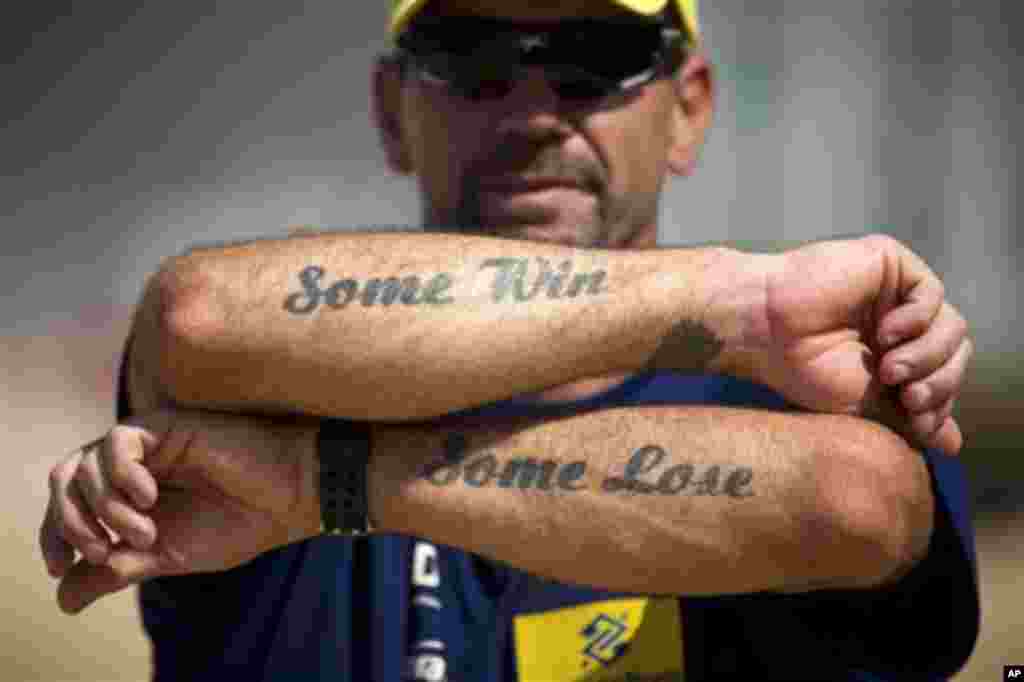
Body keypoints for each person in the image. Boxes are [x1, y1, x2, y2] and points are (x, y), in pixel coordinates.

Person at [41, 0, 979, 679]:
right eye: (469, 55)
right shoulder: (267, 390)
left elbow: (856, 504)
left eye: (595, 56)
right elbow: (194, 318)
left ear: (689, 106)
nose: (532, 114)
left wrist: (312, 486)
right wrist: (747, 303)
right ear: (388, 108)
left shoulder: (806, 383)